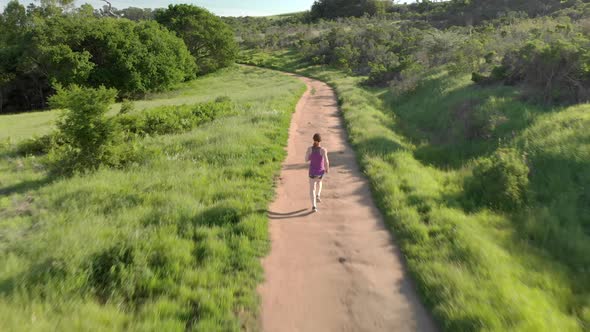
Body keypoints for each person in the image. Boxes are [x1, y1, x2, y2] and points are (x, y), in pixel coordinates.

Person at [305, 133, 329, 212]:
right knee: (320, 182)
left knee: (312, 189)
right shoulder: (323, 150)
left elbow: (306, 159)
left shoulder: (309, 149)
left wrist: (309, 155)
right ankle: (318, 195)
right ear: (320, 141)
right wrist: (327, 168)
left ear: (313, 140)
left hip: (312, 172)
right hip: (320, 172)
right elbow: (326, 161)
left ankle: (314, 206)